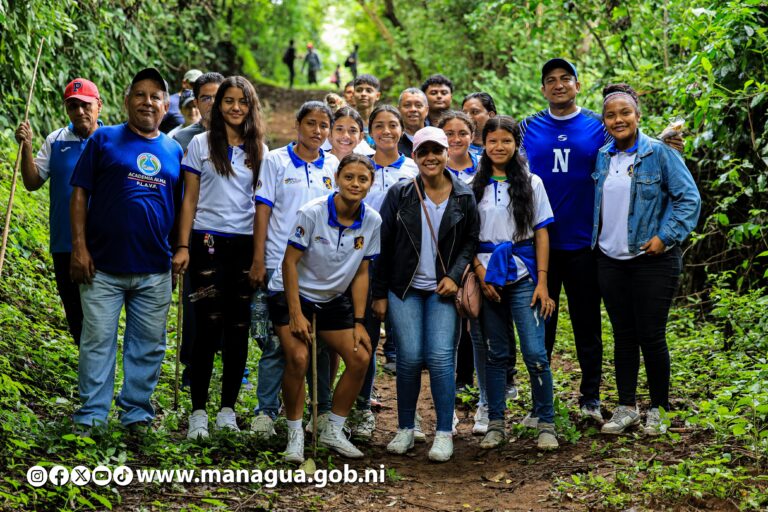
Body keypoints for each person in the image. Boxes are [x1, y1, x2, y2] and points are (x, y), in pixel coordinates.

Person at [519, 58, 683, 426]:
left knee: (587, 325)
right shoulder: (528, 126)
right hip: (540, 243)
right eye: (551, 80)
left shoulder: (598, 124)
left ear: (578, 85)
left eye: (566, 78)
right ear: (543, 89)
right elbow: (504, 162)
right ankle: (539, 404)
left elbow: (635, 147)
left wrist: (669, 143)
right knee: (539, 328)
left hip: (585, 244)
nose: (559, 84)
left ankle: (590, 399)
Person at [69, 68, 182, 432]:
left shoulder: (174, 150)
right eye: (140, 94)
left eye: (155, 96)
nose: (147, 101)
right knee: (97, 342)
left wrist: (181, 249)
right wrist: (79, 247)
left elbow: (182, 208)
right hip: (101, 267)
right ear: (126, 100)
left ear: (165, 106)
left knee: (148, 347)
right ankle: (91, 416)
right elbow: (80, 193)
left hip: (154, 269)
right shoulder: (103, 139)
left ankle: (136, 414)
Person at [593, 84, 700, 435]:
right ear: (604, 122)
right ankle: (626, 407)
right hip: (610, 258)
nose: (618, 119)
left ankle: (659, 409)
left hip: (652, 259)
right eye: (611, 114)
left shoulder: (660, 153)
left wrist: (664, 237)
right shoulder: (604, 156)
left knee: (651, 335)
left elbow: (688, 200)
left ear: (638, 116)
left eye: (625, 112)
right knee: (623, 335)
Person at [372, 126, 479, 462]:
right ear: (415, 156)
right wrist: (378, 293)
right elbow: (383, 246)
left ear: (448, 153)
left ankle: (444, 432)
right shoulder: (400, 194)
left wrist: (454, 275)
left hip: (442, 290)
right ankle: (406, 428)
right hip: (404, 289)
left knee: (439, 358)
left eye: (437, 151)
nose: (431, 158)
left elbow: (469, 242)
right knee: (409, 357)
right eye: (423, 152)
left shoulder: (463, 195)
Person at [172, 76, 267, 439]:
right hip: (206, 242)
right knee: (206, 327)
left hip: (244, 246)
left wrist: (259, 257)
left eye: (242, 101)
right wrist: (182, 246)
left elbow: (262, 208)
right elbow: (189, 200)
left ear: (251, 106)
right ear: (216, 104)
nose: (235, 107)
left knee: (237, 328)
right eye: (228, 100)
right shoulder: (199, 144)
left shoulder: (259, 149)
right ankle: (198, 411)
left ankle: (227, 408)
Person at [270, 153, 380, 462]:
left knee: (360, 356)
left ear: (371, 184)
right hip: (294, 293)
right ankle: (294, 434)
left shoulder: (372, 220)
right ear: (337, 178)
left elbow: (361, 272)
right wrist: (295, 313)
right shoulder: (312, 212)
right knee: (299, 357)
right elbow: (289, 262)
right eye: (349, 177)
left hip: (333, 299)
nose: (355, 184)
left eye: (363, 179)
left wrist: (359, 321)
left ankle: (334, 428)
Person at [250, 101, 339, 438]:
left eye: (323, 125)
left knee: (318, 343)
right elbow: (263, 211)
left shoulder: (332, 164)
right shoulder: (274, 160)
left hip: (318, 269)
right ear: (298, 125)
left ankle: (320, 412)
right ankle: (265, 412)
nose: (317, 131)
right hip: (277, 261)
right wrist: (259, 259)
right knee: (277, 343)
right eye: (311, 123)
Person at [470, 116, 558, 450]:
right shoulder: (471, 185)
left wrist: (543, 282)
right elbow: (466, 239)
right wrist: (479, 273)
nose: (499, 147)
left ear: (516, 144)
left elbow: (542, 233)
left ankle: (546, 421)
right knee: (496, 353)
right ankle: (495, 422)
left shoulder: (532, 183)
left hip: (523, 275)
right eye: (492, 141)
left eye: (506, 141)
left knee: (535, 351)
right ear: (484, 144)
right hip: (488, 276)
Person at [14, 78, 103, 347]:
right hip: (64, 243)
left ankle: (101, 372)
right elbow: (32, 182)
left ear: (98, 105)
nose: (80, 112)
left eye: (85, 105)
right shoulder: (56, 139)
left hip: (101, 243)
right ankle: (87, 371)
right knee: (75, 313)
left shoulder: (110, 140)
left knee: (99, 314)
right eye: (73, 106)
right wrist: (27, 146)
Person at [173, 72, 225, 153]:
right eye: (206, 98)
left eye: (217, 97)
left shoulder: (242, 135)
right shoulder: (180, 139)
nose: (212, 102)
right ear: (196, 103)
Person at [437, 110, 478, 183]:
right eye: (449, 134)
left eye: (462, 134)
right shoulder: (433, 168)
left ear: (472, 136)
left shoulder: (484, 165)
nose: (456, 139)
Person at [161, 69, 202, 133]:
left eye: (199, 85)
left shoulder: (203, 101)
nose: (196, 88)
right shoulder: (170, 102)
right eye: (193, 84)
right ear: (184, 83)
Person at [462, 92, 497, 159]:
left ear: (491, 115)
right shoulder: (456, 145)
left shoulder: (501, 147)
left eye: (474, 112)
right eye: (464, 113)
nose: (467, 117)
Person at [397, 88, 429, 156]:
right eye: (407, 105)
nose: (413, 109)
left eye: (418, 105)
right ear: (399, 110)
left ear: (426, 110)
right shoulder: (391, 140)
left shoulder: (437, 137)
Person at [352, 74, 381, 145]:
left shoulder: (383, 121)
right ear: (353, 94)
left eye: (369, 91)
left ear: (377, 96)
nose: (363, 94)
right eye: (359, 90)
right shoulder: (347, 119)